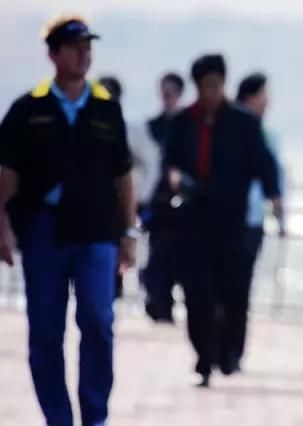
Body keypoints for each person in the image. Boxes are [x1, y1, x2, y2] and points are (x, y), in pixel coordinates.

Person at [0, 15, 137, 426]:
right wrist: (1, 227)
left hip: (97, 231)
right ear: (54, 54)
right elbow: (6, 175)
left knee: (98, 320)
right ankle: (58, 418)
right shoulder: (28, 109)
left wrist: (129, 233)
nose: (84, 54)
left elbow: (124, 177)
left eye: (88, 47)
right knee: (45, 332)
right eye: (75, 47)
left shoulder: (106, 109)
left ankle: (95, 415)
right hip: (44, 231)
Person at [165, 54, 282, 387]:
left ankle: (229, 355)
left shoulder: (244, 122)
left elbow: (265, 165)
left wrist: (276, 201)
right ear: (197, 87)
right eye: (205, 87)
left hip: (232, 225)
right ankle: (203, 358)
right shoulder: (183, 122)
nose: (211, 92)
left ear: (224, 84)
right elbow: (170, 161)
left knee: (233, 293)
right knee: (197, 294)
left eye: (216, 85)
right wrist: (175, 179)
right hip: (193, 222)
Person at [235, 72, 286, 360]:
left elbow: (275, 178)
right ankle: (224, 349)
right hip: (228, 219)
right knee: (228, 286)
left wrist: (280, 216)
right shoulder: (228, 127)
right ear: (250, 97)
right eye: (264, 96)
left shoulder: (268, 135)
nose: (268, 103)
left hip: (253, 221)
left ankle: (234, 352)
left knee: (241, 286)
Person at [98, 75, 160, 300]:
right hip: (91, 205)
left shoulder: (129, 129)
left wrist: (142, 197)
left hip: (120, 204)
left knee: (116, 256)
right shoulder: (83, 125)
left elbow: (151, 162)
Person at [143, 72, 185, 322]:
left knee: (179, 256)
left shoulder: (186, 125)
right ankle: (159, 304)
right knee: (157, 256)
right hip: (158, 203)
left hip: (182, 206)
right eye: (164, 93)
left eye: (170, 93)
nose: (166, 98)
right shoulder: (152, 127)